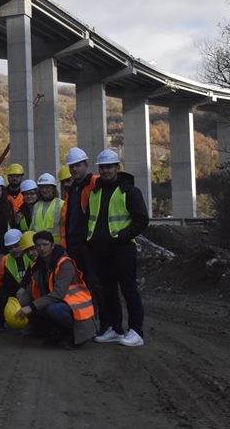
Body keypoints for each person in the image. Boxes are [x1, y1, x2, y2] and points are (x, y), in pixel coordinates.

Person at [87, 149, 149, 347]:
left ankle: (136, 331)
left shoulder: (129, 191)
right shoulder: (95, 192)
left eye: (109, 167)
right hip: (101, 250)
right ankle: (114, 328)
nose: (105, 171)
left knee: (128, 289)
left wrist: (123, 235)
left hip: (122, 248)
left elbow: (142, 220)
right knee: (108, 291)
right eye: (102, 167)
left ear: (117, 168)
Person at [16, 231, 98, 349]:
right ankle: (56, 333)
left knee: (52, 309)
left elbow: (58, 294)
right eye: (38, 246)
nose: (41, 248)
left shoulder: (64, 263)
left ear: (52, 245)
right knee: (39, 307)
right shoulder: (38, 266)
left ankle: (73, 335)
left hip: (78, 309)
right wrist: (19, 305)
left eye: (45, 244)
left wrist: (31, 307)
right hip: (62, 304)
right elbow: (30, 290)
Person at [60, 147, 102, 312]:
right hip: (74, 245)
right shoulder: (73, 189)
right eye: (72, 166)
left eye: (78, 165)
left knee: (95, 283)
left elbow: (110, 182)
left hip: (89, 245)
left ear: (86, 164)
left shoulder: (93, 182)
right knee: (79, 284)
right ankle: (85, 317)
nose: (74, 169)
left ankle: (102, 320)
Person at [0, 229, 33, 330]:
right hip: (13, 296)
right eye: (10, 247)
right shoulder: (4, 261)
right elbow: (2, 289)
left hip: (30, 293)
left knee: (21, 294)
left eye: (16, 246)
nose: (13, 249)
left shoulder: (31, 256)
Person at [31, 173, 64, 244]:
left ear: (53, 188)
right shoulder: (36, 206)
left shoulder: (61, 204)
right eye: (42, 187)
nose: (44, 190)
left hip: (56, 247)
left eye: (47, 187)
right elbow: (33, 228)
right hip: (39, 247)